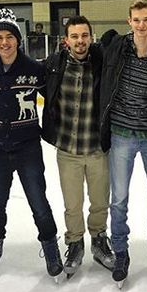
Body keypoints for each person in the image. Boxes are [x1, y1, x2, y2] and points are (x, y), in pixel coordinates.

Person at [0, 8, 63, 281]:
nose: (4, 42)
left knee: (39, 202)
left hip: (28, 149)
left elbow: (55, 95)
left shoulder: (34, 69)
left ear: (18, 40)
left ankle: (50, 246)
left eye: (9, 37)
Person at [99, 0, 147, 288]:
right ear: (129, 21)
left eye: (146, 20)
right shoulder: (117, 47)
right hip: (121, 135)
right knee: (118, 200)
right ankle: (120, 252)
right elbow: (88, 51)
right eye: (136, 20)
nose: (141, 25)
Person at [42, 15, 114, 278]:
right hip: (68, 150)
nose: (80, 41)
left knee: (100, 202)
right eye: (74, 36)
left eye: (84, 35)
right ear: (66, 40)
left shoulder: (102, 62)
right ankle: (74, 243)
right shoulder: (54, 64)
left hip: (97, 149)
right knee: (72, 204)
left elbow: (125, 44)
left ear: (91, 37)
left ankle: (99, 239)